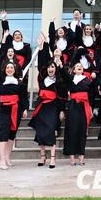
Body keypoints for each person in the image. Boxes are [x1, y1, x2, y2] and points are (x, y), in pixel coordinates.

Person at [28, 33, 64, 169]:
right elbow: (42, 63)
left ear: (56, 69)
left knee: (51, 130)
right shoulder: (43, 78)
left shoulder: (59, 81)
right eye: (49, 67)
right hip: (42, 106)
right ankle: (43, 156)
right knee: (40, 131)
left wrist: (61, 110)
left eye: (53, 67)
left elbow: (61, 96)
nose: (50, 69)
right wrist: (42, 47)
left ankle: (53, 157)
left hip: (53, 107)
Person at [0, 61, 28, 170]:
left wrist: (25, 108)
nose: (9, 69)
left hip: (16, 109)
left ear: (15, 70)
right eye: (7, 67)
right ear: (5, 70)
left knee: (12, 133)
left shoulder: (20, 83)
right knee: (3, 132)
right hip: (3, 109)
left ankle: (7, 157)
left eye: (11, 68)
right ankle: (1, 160)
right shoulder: (1, 81)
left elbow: (24, 97)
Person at [61, 61, 95, 165]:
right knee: (72, 130)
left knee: (82, 131)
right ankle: (72, 157)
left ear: (83, 69)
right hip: (73, 106)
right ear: (74, 70)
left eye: (81, 66)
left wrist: (91, 108)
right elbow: (64, 74)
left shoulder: (88, 81)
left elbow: (91, 96)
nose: (79, 67)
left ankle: (81, 156)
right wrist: (61, 65)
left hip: (84, 106)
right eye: (77, 66)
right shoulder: (71, 79)